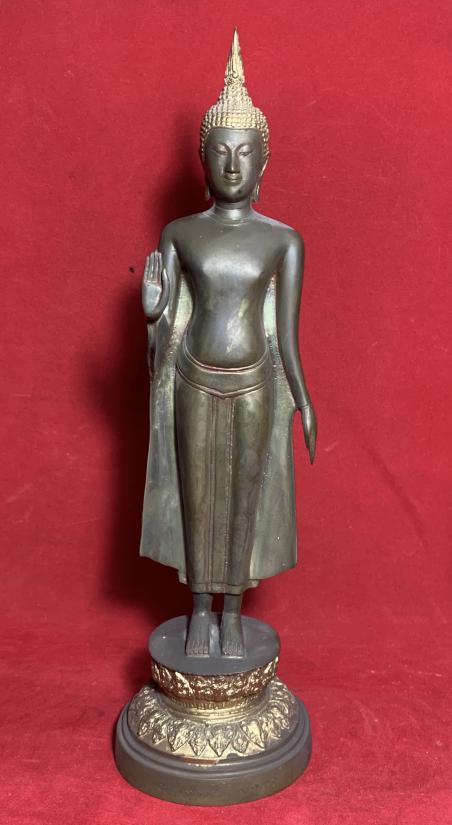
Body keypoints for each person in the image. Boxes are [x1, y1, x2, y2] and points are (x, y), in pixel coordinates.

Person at [140, 30, 317, 657]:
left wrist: (304, 400)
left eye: (245, 153)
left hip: (255, 380)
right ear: (203, 161)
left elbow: (286, 334)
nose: (233, 165)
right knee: (197, 495)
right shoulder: (180, 233)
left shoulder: (283, 241)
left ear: (264, 162)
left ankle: (233, 612)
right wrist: (154, 314)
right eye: (221, 153)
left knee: (243, 496)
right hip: (193, 375)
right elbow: (163, 334)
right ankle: (197, 609)